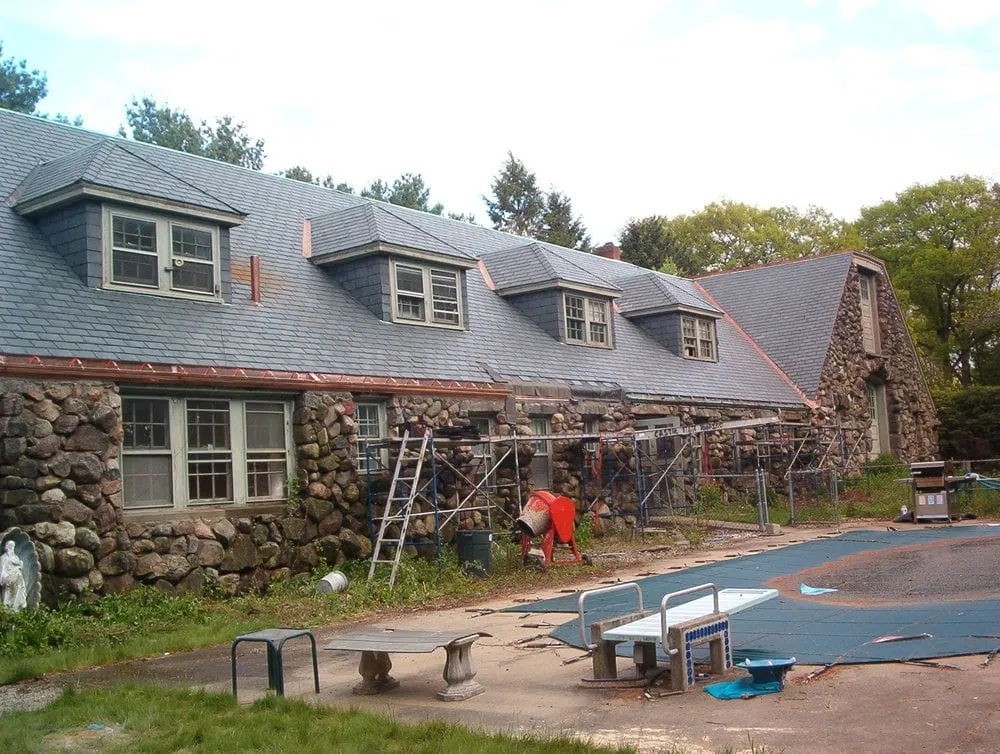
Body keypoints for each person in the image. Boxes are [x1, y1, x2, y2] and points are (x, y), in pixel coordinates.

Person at [0, 540, 26, 611]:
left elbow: (20, 567)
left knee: (19, 574)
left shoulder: (16, 557)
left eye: (13, 546)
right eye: (10, 546)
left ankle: (15, 607)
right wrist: (1, 580)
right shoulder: (3, 558)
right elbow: (2, 569)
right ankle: (7, 609)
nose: (12, 548)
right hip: (7, 578)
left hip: (16, 580)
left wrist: (19, 566)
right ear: (7, 547)